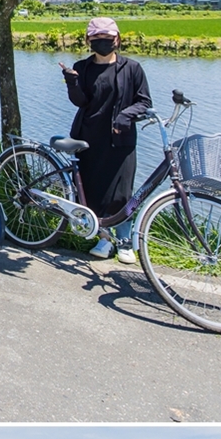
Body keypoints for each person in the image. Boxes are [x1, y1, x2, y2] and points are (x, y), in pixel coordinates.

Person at [60, 17, 152, 263]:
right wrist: (72, 82)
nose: (103, 43)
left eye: (108, 39)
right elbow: (81, 102)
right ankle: (104, 238)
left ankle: (125, 243)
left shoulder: (132, 68)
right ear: (89, 41)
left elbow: (144, 102)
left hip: (120, 141)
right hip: (88, 138)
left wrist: (126, 115)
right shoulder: (83, 67)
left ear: (117, 39)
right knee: (91, 192)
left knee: (122, 194)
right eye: (98, 39)